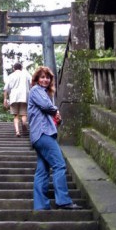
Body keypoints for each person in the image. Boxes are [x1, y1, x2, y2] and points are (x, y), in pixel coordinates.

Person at [27, 66, 82, 211]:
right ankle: (63, 201)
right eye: (42, 77)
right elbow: (46, 106)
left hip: (41, 135)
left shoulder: (44, 93)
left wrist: (57, 117)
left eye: (47, 77)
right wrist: (56, 110)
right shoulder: (36, 91)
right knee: (59, 165)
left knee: (42, 170)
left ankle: (40, 206)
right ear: (37, 79)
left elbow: (49, 115)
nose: (45, 80)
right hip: (43, 134)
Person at [3, 62, 31, 137]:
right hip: (24, 96)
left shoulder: (10, 76)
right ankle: (24, 123)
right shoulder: (26, 75)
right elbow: (31, 85)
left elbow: (5, 89)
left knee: (16, 116)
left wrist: (5, 99)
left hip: (13, 97)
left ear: (13, 68)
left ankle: (17, 132)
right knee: (24, 114)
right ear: (21, 68)